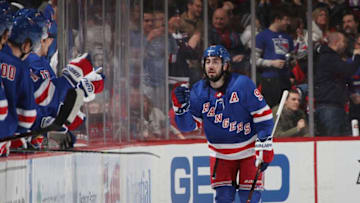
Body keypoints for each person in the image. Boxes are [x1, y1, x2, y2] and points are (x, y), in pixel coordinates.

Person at [172, 45, 274, 203]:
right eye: (207, 62)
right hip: (220, 154)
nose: (211, 66)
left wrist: (265, 143)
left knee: (250, 198)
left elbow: (264, 116)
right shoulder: (198, 91)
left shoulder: (242, 85)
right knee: (223, 198)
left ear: (225, 65)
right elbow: (189, 127)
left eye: (215, 61)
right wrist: (180, 109)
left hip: (249, 151)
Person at [315, 32, 360, 136]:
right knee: (332, 143)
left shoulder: (333, 57)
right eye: (344, 42)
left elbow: (344, 76)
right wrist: (357, 56)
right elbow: (348, 70)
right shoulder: (328, 57)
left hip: (337, 107)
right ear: (336, 42)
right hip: (329, 107)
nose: (345, 45)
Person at [255, 7, 294, 108]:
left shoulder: (288, 38)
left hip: (285, 79)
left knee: (285, 109)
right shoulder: (262, 36)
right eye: (286, 19)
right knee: (271, 109)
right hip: (269, 79)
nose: (288, 23)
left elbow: (292, 56)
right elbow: (253, 60)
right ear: (277, 20)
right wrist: (272, 63)